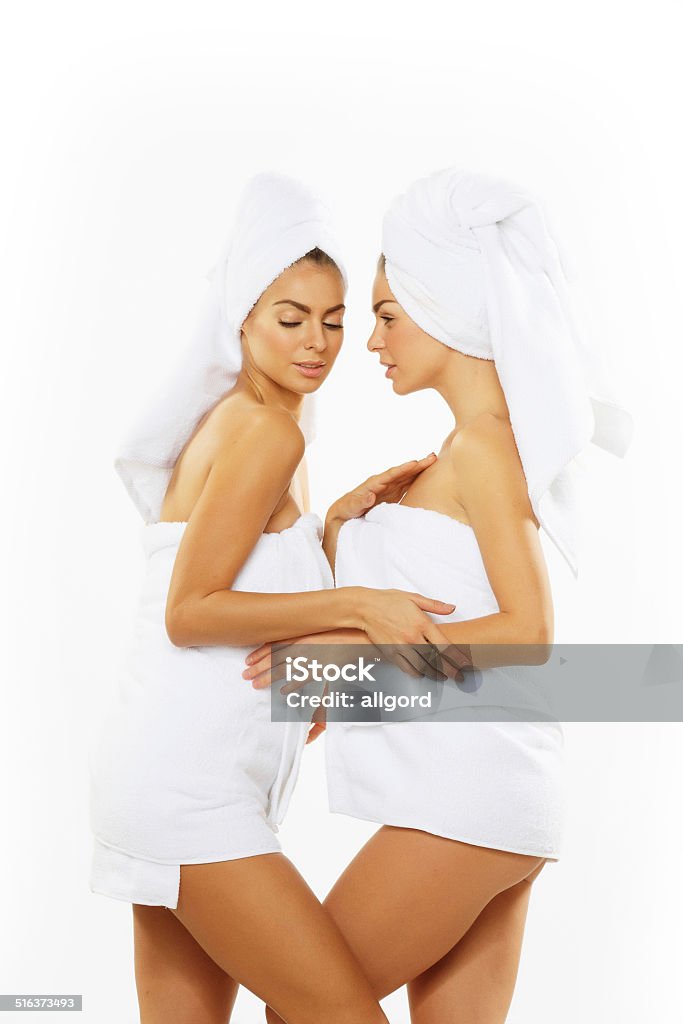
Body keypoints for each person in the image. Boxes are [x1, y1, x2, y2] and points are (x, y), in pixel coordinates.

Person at [245, 167, 632, 1023]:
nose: (370, 341)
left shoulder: (485, 449)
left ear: (448, 308)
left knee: (299, 1008)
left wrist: (354, 641)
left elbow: (527, 630)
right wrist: (343, 526)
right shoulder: (457, 453)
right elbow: (433, 588)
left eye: (386, 315)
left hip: (469, 790)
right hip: (493, 792)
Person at [87, 171, 456, 1024]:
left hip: (178, 772)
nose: (318, 342)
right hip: (191, 786)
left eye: (334, 320)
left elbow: (237, 571)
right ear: (242, 318)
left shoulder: (251, 423)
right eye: (291, 320)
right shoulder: (264, 429)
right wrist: (358, 604)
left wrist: (331, 531)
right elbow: (193, 610)